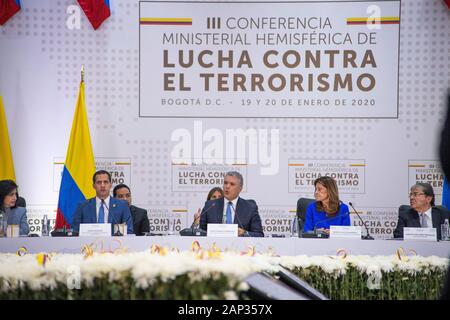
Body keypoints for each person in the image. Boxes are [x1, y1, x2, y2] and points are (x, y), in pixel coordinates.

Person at [199, 171, 264, 237]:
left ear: (240, 188)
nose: (227, 186)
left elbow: (259, 234)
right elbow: (201, 233)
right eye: (225, 183)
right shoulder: (210, 206)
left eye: (232, 184)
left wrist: (245, 233)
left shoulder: (250, 208)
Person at [72, 170, 134, 235]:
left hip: (114, 244)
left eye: (106, 182)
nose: (102, 185)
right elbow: (75, 231)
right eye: (99, 182)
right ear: (94, 186)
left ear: (110, 185)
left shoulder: (122, 205)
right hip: (88, 244)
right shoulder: (82, 206)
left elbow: (129, 230)